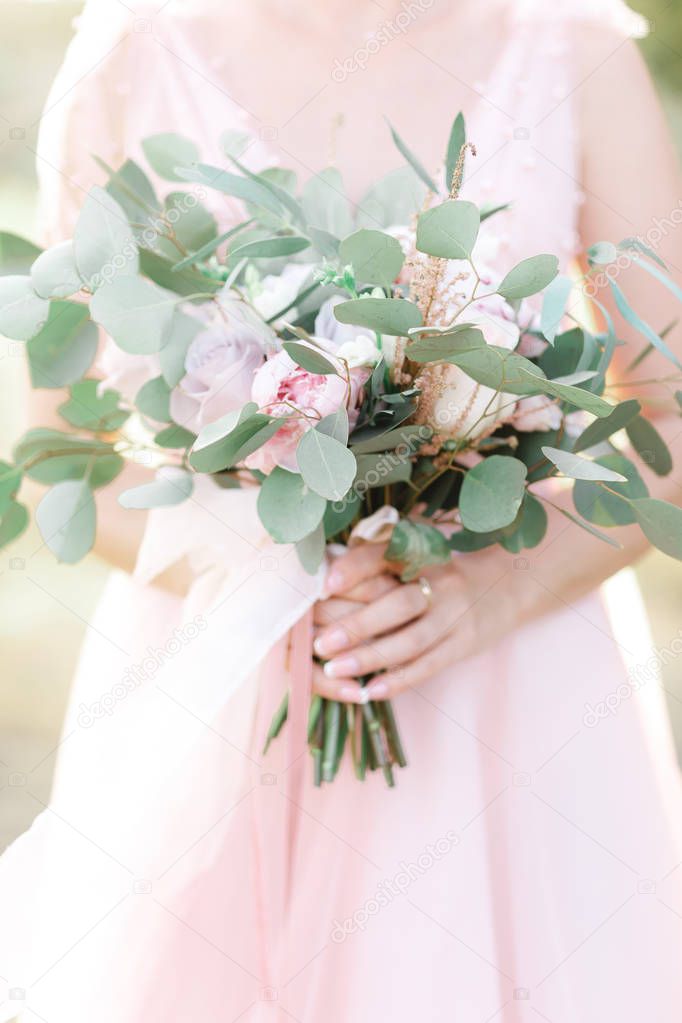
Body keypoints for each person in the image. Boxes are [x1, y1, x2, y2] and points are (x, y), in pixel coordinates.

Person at [2, 1, 682, 1020]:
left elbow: (667, 408)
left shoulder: (573, 52)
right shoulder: (132, 57)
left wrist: (490, 591)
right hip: (220, 686)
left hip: (510, 689)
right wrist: (275, 577)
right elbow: (60, 461)